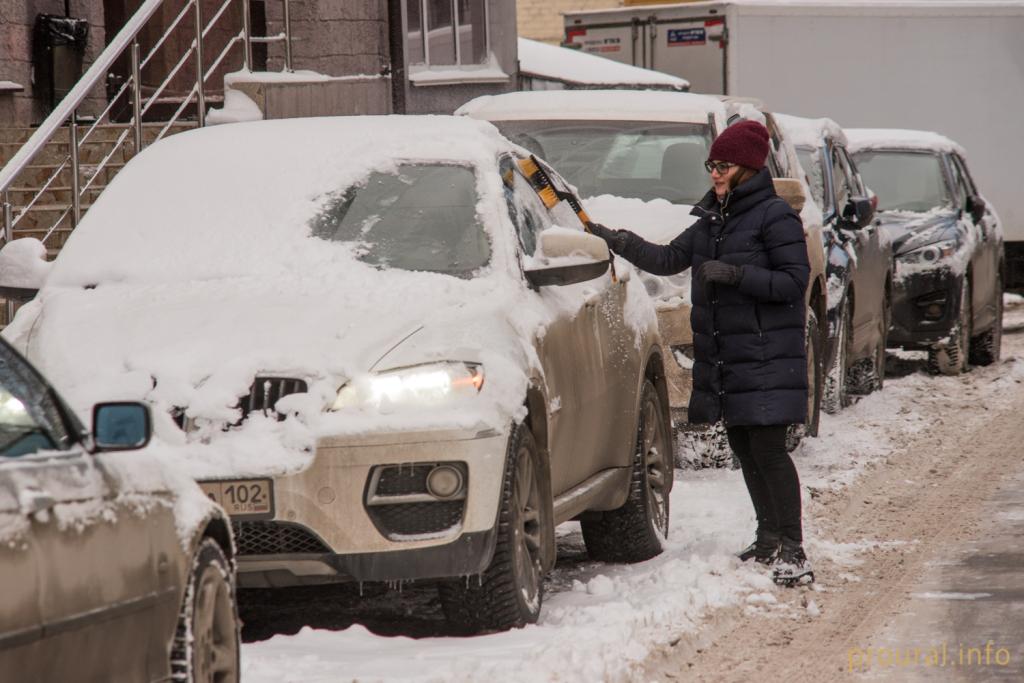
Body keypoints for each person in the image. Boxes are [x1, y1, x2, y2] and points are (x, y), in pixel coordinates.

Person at [588, 120, 813, 586]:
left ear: (748, 167)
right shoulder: (713, 218)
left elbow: (794, 283)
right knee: (745, 448)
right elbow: (669, 259)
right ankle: (768, 538)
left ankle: (794, 548)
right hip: (733, 358)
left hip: (767, 355)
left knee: (769, 450)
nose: (714, 173)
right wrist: (617, 241)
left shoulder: (775, 217)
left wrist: (734, 275)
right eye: (711, 164)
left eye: (723, 165)